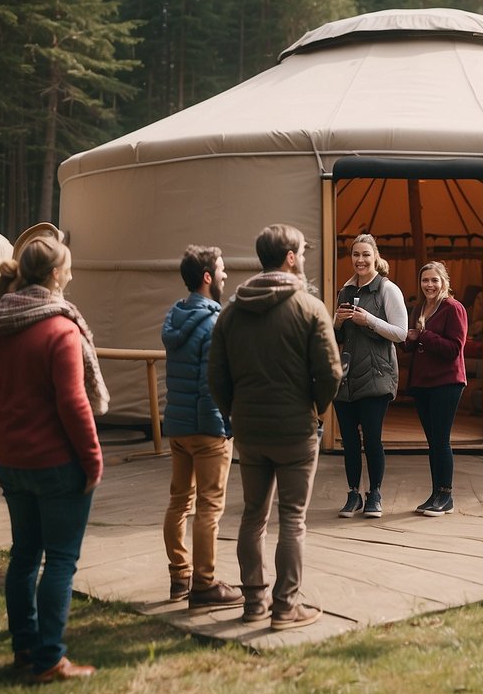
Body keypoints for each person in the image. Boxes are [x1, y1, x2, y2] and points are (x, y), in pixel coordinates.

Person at [0, 236, 108, 683]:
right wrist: (93, 460)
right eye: (70, 268)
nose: (72, 274)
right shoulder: (60, 329)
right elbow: (73, 403)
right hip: (59, 463)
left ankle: (25, 648)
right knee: (61, 560)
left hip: (13, 464)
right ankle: (49, 660)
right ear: (56, 275)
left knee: (24, 556)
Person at [209, 224, 343, 630]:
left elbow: (216, 375)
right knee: (293, 519)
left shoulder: (232, 310)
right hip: (295, 430)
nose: (304, 257)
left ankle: (253, 604)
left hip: (249, 430)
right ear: (289, 256)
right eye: (302, 251)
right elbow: (331, 372)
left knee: (253, 516)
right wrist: (316, 410)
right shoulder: (309, 307)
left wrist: (235, 412)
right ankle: (285, 608)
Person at [160, 245, 243, 610]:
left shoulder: (174, 317)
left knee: (179, 502)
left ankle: (180, 578)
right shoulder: (216, 322)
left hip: (178, 426)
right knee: (209, 507)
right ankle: (205, 584)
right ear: (207, 276)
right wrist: (230, 423)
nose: (226, 276)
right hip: (209, 428)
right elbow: (222, 379)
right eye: (222, 270)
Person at [331, 234, 408, 519]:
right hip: (347, 376)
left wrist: (370, 321)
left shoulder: (387, 289)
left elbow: (400, 333)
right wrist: (337, 321)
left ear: (375, 256)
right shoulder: (345, 290)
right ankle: (353, 493)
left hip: (376, 375)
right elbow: (335, 336)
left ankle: (374, 493)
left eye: (365, 254)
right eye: (355, 255)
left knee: (372, 439)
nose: (360, 260)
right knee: (349, 440)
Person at [404, 261, 468, 516]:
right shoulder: (419, 307)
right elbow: (416, 346)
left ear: (444, 282)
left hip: (447, 382)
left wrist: (423, 336)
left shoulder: (454, 308)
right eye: (424, 280)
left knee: (441, 440)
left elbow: (454, 349)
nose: (429, 285)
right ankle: (435, 494)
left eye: (434, 280)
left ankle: (446, 495)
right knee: (433, 441)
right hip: (422, 383)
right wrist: (409, 340)